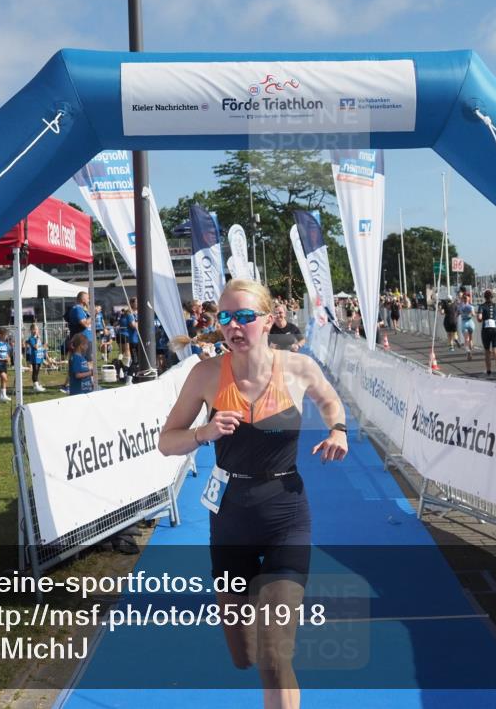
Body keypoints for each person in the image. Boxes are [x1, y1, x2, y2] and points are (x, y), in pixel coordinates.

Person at [158, 279, 347, 708]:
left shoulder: (298, 368)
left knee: (273, 651)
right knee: (244, 652)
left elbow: (331, 402)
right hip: (230, 517)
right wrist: (203, 432)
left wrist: (339, 430)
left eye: (245, 317)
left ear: (268, 320)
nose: (234, 326)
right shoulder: (206, 375)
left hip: (286, 512)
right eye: (226, 317)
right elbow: (166, 441)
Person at [477, 289, 496, 379]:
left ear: (485, 297)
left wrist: (481, 318)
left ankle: (488, 370)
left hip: (486, 329)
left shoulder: (481, 306)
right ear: (492, 297)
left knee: (487, 351)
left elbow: (479, 318)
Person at [24, 323, 47, 392]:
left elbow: (40, 347)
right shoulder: (31, 339)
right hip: (34, 358)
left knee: (37, 371)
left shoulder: (37, 338)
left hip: (39, 357)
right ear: (31, 330)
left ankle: (36, 385)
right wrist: (37, 339)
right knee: (35, 371)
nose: (36, 330)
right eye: (34, 329)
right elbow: (36, 347)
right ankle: (35, 385)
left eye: (37, 329)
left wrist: (43, 347)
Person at [458, 292, 476, 359]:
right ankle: (470, 351)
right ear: (468, 298)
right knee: (470, 339)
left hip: (464, 322)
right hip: (470, 322)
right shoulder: (471, 306)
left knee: (466, 339)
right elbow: (473, 314)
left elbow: (458, 313)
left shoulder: (460, 306)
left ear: (463, 299)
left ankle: (468, 351)